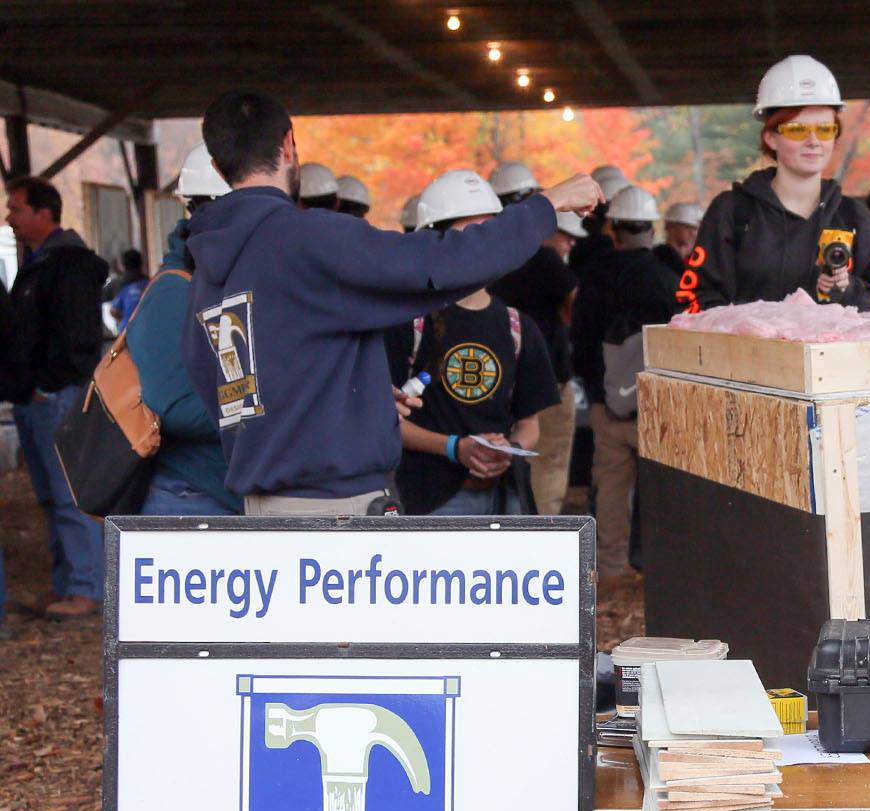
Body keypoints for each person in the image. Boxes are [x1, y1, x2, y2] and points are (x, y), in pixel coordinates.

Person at [180, 89, 600, 517]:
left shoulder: (207, 272)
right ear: (288, 144)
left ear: (217, 167)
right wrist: (544, 207)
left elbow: (231, 394)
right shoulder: (308, 239)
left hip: (260, 512)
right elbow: (438, 265)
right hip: (334, 509)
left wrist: (356, 402)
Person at [390, 170, 561, 516]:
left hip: (504, 499)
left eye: (490, 234)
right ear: (435, 240)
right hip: (428, 501)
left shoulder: (518, 327)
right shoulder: (406, 323)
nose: (483, 248)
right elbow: (384, 419)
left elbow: (530, 424)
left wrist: (506, 450)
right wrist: (454, 448)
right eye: (471, 235)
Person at [676, 54, 870, 312]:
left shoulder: (853, 217)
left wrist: (847, 290)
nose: (814, 141)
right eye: (797, 130)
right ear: (770, 137)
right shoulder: (732, 212)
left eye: (825, 129)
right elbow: (695, 298)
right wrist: (747, 328)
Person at [3, 176, 108, 620]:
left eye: (16, 208)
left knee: (68, 495)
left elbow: (79, 337)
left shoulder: (69, 265)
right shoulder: (41, 263)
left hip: (55, 397)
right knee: (50, 495)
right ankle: (67, 582)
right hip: (36, 396)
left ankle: (87, 588)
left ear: (43, 213)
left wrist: (49, 386)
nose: (9, 217)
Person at [130, 144, 242, 517]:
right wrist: (271, 409)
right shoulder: (173, 292)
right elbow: (175, 406)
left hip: (223, 491)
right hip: (192, 498)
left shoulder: (224, 280)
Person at [573, 185, 678, 580]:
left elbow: (580, 341)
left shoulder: (593, 279)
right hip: (657, 408)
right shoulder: (668, 281)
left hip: (607, 408)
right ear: (652, 229)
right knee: (662, 493)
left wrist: (599, 391)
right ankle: (660, 573)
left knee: (611, 490)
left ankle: (611, 570)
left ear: (613, 229)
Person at [488, 160, 582, 516]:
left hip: (493, 379)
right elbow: (576, 305)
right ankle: (541, 541)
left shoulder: (482, 257)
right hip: (547, 380)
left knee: (495, 465)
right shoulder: (542, 259)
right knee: (548, 467)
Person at [107, 249, 150, 327]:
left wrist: (127, 319)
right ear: (141, 263)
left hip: (127, 328)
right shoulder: (150, 283)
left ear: (123, 265)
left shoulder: (118, 284)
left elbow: (113, 311)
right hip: (148, 327)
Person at [658, 200, 703, 272]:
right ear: (670, 227)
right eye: (688, 227)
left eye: (698, 229)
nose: (694, 233)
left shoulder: (698, 263)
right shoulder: (656, 260)